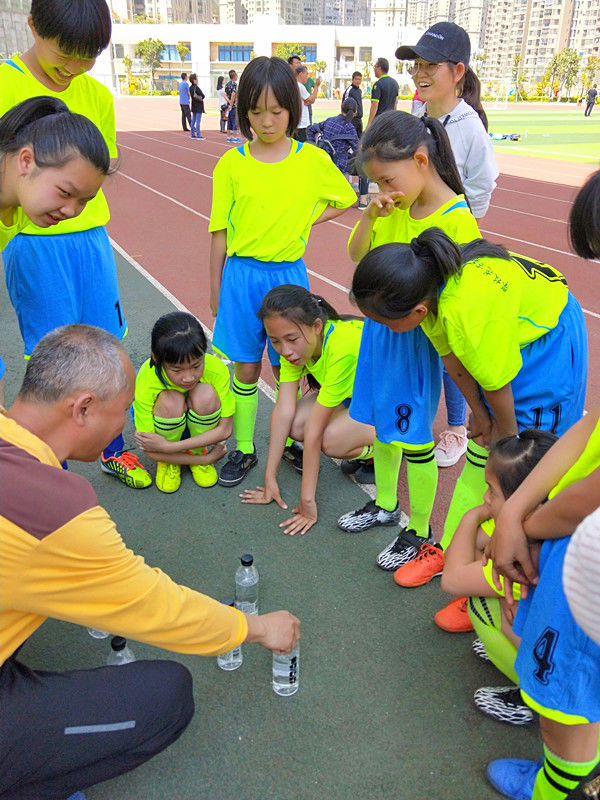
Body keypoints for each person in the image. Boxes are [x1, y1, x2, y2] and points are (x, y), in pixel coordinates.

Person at [0, 323, 300, 800]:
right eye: (123, 413)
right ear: (82, 408)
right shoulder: (56, 508)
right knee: (167, 696)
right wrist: (257, 629)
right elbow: (154, 605)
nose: (124, 427)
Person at [351, 228, 587, 595]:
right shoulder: (428, 290)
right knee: (482, 453)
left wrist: (506, 440)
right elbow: (452, 359)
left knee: (526, 466)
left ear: (416, 311)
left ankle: (512, 583)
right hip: (502, 336)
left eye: (384, 323)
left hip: (548, 342)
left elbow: (497, 384)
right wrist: (478, 412)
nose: (383, 330)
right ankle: (450, 552)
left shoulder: (467, 311)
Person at [0, 0, 148, 490]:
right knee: (54, 357)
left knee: (106, 348)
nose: (74, 68)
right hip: (32, 242)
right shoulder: (5, 83)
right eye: (66, 53)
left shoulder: (96, 94)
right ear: (34, 26)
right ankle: (51, 464)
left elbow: (102, 165)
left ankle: (111, 448)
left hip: (90, 240)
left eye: (88, 57)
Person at [336, 110, 480, 581]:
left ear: (421, 160)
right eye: (375, 183)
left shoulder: (457, 222)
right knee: (382, 426)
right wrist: (369, 215)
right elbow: (358, 256)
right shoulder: (391, 208)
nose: (383, 191)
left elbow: (457, 305)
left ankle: (419, 531)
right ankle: (383, 503)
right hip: (380, 334)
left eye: (386, 180)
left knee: (414, 436)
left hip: (415, 342)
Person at [208, 56, 356, 487]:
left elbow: (346, 197)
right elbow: (218, 232)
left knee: (289, 361)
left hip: (288, 276)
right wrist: (215, 289)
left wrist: (304, 220)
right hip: (240, 276)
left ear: (293, 109)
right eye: (256, 111)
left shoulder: (309, 159)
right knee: (246, 368)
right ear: (244, 112)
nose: (267, 121)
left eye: (277, 111)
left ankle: (291, 438)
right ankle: (246, 448)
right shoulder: (232, 165)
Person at [396, 21, 499, 469]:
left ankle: (457, 426)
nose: (419, 73)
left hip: (448, 248)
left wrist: (452, 219)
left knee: (449, 340)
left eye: (429, 65)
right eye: (416, 65)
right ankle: (413, 422)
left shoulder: (469, 126)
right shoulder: (420, 121)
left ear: (457, 71)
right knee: (420, 335)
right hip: (413, 243)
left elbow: (482, 187)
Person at [484, 405, 600, 800]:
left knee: (563, 712)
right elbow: (592, 423)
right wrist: (514, 514)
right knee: (580, 697)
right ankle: (563, 776)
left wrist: (523, 530)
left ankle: (553, 789)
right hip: (570, 538)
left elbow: (590, 498)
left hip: (586, 563)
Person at [440, 429, 557, 725]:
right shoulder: (544, 528)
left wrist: (471, 515)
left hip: (566, 670)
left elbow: (451, 580)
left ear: (522, 500)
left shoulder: (526, 558)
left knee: (480, 602)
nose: (485, 497)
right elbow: (480, 542)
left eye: (491, 491)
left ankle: (535, 699)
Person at [240, 285, 374, 536]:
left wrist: (307, 502)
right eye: (276, 341)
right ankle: (361, 437)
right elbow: (283, 410)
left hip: (391, 405)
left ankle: (384, 449)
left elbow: (315, 431)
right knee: (293, 424)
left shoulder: (341, 348)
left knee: (329, 440)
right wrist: (269, 478)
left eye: (291, 339)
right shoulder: (295, 350)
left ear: (316, 327)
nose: (285, 350)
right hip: (354, 396)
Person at [132, 312, 234, 493]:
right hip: (168, 419)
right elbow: (149, 449)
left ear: (204, 353)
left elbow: (225, 430)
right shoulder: (146, 381)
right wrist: (206, 460)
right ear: (156, 358)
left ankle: (197, 450)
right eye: (177, 369)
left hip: (189, 432)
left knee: (206, 394)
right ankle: (168, 462)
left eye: (196, 365)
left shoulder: (216, 370)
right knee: (171, 400)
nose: (188, 377)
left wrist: (170, 447)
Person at [306, 97, 359, 176]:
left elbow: (310, 129)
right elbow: (358, 149)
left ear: (341, 109)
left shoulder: (330, 120)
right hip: (339, 166)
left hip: (324, 161)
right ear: (355, 112)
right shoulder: (349, 127)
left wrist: (314, 147)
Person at [343, 71, 369, 208]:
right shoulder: (349, 90)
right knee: (351, 146)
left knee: (359, 145)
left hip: (358, 120)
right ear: (352, 79)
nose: (358, 81)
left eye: (360, 79)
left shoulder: (359, 91)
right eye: (356, 79)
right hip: (351, 120)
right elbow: (344, 104)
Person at [365, 58, 399, 129]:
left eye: (375, 67)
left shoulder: (378, 84)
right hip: (391, 120)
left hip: (380, 121)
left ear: (379, 68)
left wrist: (369, 124)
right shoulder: (395, 83)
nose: (374, 69)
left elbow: (375, 105)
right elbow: (395, 103)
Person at [294, 65, 321, 142]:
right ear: (301, 74)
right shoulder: (299, 86)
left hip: (296, 123)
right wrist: (316, 86)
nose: (307, 77)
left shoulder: (294, 85)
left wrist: (308, 100)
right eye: (306, 74)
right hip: (301, 124)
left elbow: (308, 101)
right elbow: (311, 100)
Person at [225, 69, 242, 143]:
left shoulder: (227, 84)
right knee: (234, 121)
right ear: (234, 76)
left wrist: (228, 103)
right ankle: (234, 137)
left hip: (229, 105)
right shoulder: (234, 84)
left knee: (229, 121)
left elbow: (225, 94)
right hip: (233, 106)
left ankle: (228, 137)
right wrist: (231, 104)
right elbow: (233, 95)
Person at [189, 73, 205, 140]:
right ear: (194, 80)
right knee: (198, 121)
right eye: (196, 79)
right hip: (198, 105)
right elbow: (203, 95)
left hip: (193, 105)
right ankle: (198, 135)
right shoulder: (196, 87)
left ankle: (192, 134)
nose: (197, 80)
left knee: (193, 120)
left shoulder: (190, 88)